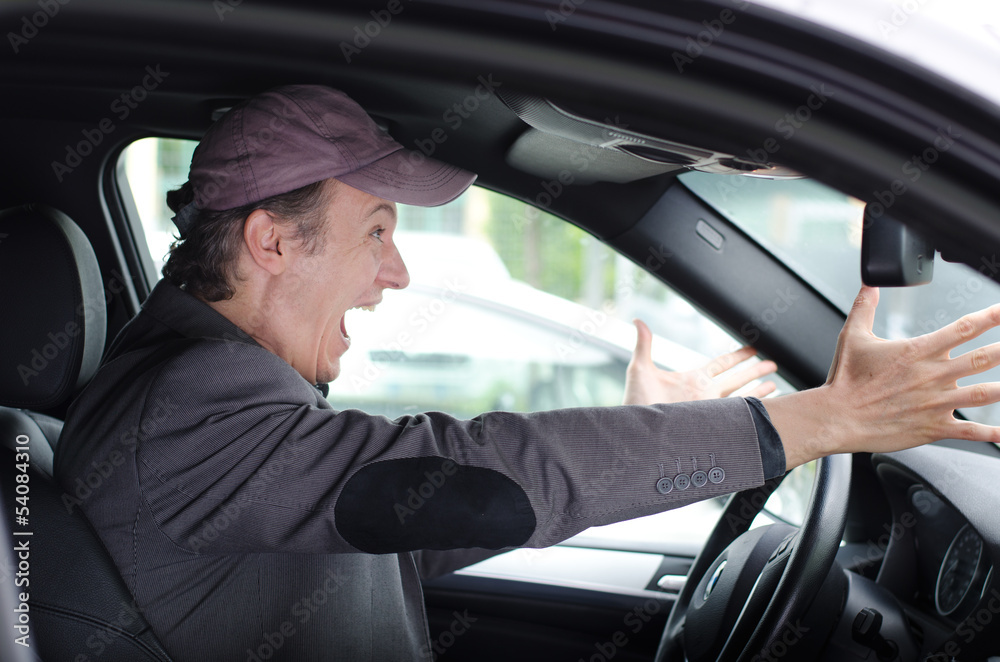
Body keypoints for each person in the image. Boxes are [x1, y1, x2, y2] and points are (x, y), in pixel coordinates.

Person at [55, 85, 1000, 662]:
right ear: (270, 241)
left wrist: (646, 437)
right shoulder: (188, 406)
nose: (398, 270)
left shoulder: (209, 396)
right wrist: (809, 424)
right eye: (376, 231)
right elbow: (458, 469)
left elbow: (403, 526)